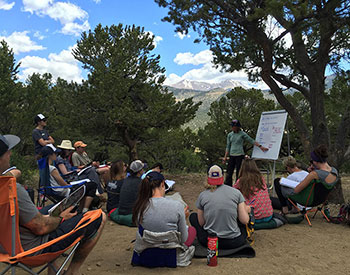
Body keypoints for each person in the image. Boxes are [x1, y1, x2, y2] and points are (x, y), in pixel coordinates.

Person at [0, 134, 106, 275]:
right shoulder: (11, 189)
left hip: (3, 247)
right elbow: (41, 227)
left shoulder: (5, 185)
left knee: (52, 210)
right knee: (99, 216)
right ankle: (71, 272)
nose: (10, 153)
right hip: (30, 250)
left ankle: (54, 270)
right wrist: (61, 218)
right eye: (7, 151)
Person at [189, 165, 251, 249]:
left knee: (193, 216)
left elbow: (201, 223)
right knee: (243, 216)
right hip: (234, 242)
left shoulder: (202, 195)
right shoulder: (236, 193)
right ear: (223, 176)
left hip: (210, 242)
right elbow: (244, 220)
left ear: (208, 177)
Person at [132, 171, 196, 247]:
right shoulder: (177, 206)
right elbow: (183, 239)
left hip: (147, 251)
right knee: (192, 230)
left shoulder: (140, 206)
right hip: (169, 254)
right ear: (162, 184)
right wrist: (183, 218)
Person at [274, 145, 339, 214]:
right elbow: (323, 174)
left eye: (312, 160)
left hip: (307, 201)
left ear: (316, 161)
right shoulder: (334, 172)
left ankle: (285, 209)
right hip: (321, 200)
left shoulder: (314, 174)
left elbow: (296, 190)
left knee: (278, 183)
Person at [41, 144, 98, 213]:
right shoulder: (52, 169)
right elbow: (62, 184)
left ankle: (81, 209)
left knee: (86, 185)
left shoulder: (43, 168)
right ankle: (83, 210)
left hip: (51, 190)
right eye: (55, 153)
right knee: (92, 185)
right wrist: (71, 185)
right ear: (50, 155)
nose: (56, 154)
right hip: (61, 191)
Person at [223, 119, 268, 186]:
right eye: (231, 126)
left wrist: (260, 146)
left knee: (239, 172)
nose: (232, 127)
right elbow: (228, 146)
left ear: (237, 126)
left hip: (240, 155)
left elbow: (251, 140)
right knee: (229, 172)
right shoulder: (230, 135)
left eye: (233, 126)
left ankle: (238, 185)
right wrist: (225, 157)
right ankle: (228, 185)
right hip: (232, 155)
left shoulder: (242, 134)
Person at [233, 158, 274, 223]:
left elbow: (232, 194)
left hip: (253, 217)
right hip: (268, 215)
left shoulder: (241, 181)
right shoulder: (261, 179)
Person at [109, 160, 145, 226]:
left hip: (121, 211)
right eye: (143, 169)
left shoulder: (125, 181)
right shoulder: (141, 183)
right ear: (140, 171)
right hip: (131, 213)